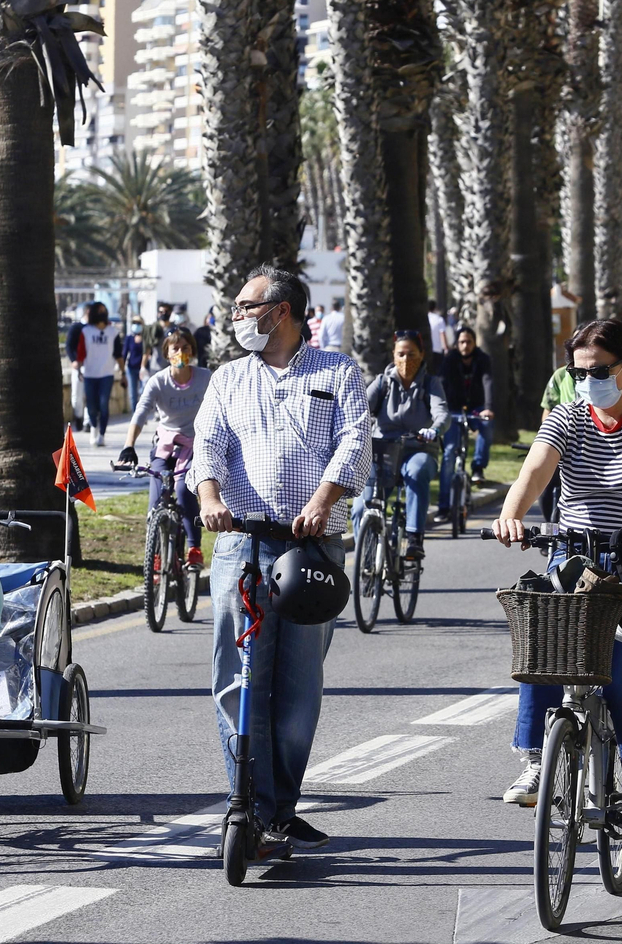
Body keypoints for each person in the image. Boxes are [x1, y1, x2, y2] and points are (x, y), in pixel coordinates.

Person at [491, 318, 622, 856]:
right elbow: (534, 471)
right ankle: (536, 760)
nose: (588, 380)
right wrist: (512, 515)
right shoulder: (567, 418)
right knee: (543, 643)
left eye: (600, 370)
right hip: (574, 558)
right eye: (578, 372)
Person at [189, 264, 370, 852]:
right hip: (242, 540)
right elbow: (208, 442)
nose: (236, 314)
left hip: (310, 549)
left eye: (245, 306)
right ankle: (250, 808)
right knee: (235, 678)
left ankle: (280, 809)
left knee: (296, 688)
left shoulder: (337, 372)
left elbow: (355, 443)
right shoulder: (228, 378)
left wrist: (322, 502)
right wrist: (210, 496)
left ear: (281, 311)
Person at [120, 330, 213, 565]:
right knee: (157, 497)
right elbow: (141, 412)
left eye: (185, 348)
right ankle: (157, 555)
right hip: (165, 445)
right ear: (166, 353)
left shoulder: (205, 378)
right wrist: (128, 445)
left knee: (183, 489)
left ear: (192, 351)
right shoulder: (158, 381)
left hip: (194, 445)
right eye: (175, 349)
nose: (181, 353)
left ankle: (194, 548)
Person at [354, 330, 447, 559]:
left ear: (422, 354)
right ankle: (365, 558)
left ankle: (415, 537)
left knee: (416, 472)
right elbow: (359, 408)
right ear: (394, 355)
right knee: (360, 507)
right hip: (382, 451)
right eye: (401, 354)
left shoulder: (431, 384)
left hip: (418, 449)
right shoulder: (383, 382)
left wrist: (433, 430)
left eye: (412, 354)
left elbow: (442, 413)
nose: (406, 360)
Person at [437, 328, 496, 505]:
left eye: (469, 341)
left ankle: (478, 468)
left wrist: (488, 408)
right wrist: (441, 410)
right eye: (462, 342)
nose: (465, 345)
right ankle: (444, 505)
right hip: (454, 409)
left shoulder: (482, 359)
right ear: (456, 344)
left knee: (486, 426)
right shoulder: (449, 360)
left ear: (474, 343)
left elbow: (488, 381)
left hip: (476, 409)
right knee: (449, 454)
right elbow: (441, 384)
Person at [71, 302, 122, 447]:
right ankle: (94, 428)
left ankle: (102, 434)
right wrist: (79, 367)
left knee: (104, 405)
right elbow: (81, 352)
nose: (101, 313)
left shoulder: (113, 332)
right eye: (99, 311)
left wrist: (123, 372)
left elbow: (118, 354)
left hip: (107, 374)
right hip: (89, 374)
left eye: (103, 310)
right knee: (92, 406)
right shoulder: (86, 331)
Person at [536, 362, 578, 522]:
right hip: (561, 445)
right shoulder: (560, 376)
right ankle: (550, 530)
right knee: (545, 485)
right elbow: (547, 412)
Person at [122, 315, 152, 411]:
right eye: (134, 323)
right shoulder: (129, 338)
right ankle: (135, 414)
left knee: (143, 391)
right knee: (132, 394)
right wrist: (121, 369)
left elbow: (148, 352)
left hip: (143, 368)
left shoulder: (146, 338)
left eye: (138, 323)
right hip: (131, 368)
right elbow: (124, 353)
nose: (136, 325)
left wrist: (143, 367)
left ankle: (143, 412)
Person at [427, 302, 449, 366]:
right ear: (435, 308)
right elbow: (442, 334)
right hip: (437, 350)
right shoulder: (439, 319)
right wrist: (445, 348)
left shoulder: (425, 319)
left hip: (426, 350)